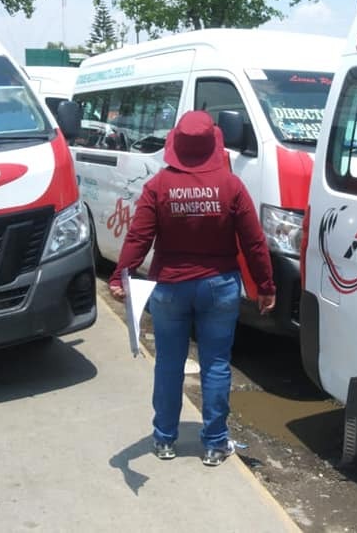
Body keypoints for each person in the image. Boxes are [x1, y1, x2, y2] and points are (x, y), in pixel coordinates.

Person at [108, 110, 276, 466]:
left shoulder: (158, 187)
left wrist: (120, 274)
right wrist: (265, 286)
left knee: (168, 363)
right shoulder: (231, 186)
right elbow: (254, 242)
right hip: (219, 288)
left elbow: (139, 237)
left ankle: (164, 439)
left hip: (170, 287)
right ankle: (215, 443)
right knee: (216, 364)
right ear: (213, 145)